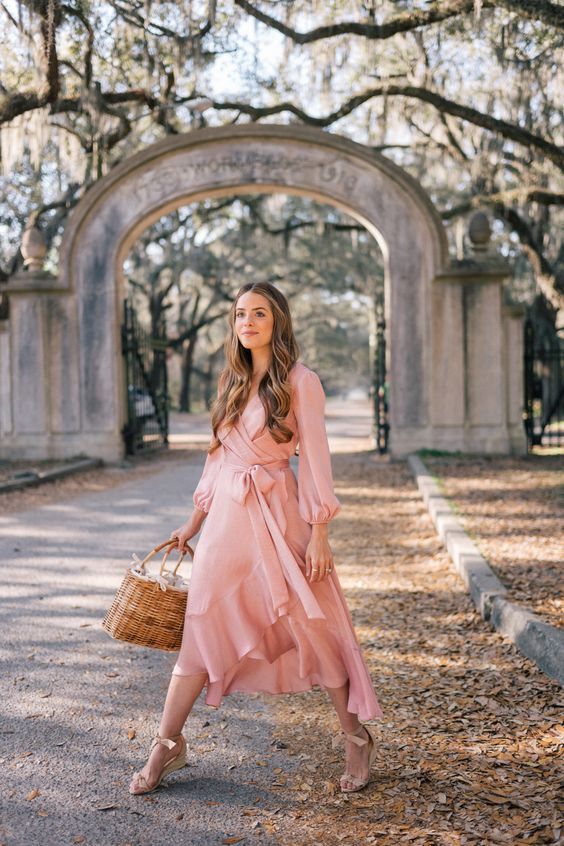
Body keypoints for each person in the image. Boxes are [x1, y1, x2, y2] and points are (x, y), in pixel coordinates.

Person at [129, 281, 383, 796]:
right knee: (202, 626)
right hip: (226, 522)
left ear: (277, 322)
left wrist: (319, 533)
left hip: (280, 517)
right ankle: (166, 743)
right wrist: (193, 522)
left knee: (313, 625)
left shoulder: (300, 381)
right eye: (240, 313)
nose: (247, 322)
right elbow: (217, 458)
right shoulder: (231, 380)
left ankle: (355, 736)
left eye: (259, 313)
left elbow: (314, 461)